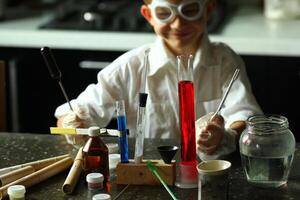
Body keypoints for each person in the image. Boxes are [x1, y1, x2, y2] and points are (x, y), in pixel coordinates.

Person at [55, 0, 262, 159]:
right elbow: (71, 114)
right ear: (149, 15)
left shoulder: (224, 60)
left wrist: (223, 135)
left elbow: (244, 114)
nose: (178, 23)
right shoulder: (130, 66)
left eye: (190, 10)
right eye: (164, 13)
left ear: (208, 9)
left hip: (210, 172)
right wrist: (73, 124)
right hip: (150, 172)